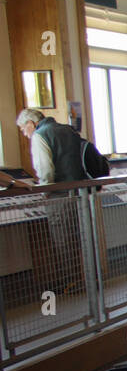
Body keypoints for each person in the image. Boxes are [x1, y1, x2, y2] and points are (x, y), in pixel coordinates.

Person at [15, 108, 88, 293]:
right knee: (83, 237)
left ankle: (72, 283)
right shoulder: (68, 129)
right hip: (81, 192)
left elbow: (45, 169)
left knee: (63, 239)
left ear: (31, 124)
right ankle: (89, 278)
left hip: (59, 195)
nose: (25, 134)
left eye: (24, 129)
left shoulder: (40, 135)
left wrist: (44, 190)